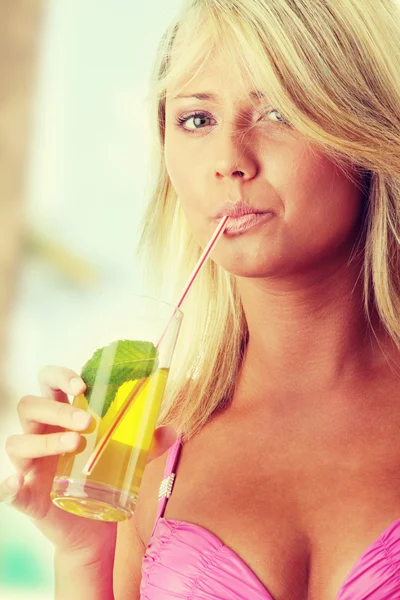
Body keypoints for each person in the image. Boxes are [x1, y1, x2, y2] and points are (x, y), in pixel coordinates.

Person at [1, 0, 400, 598]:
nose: (229, 161)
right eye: (195, 120)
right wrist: (85, 556)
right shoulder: (144, 454)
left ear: (362, 130)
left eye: (277, 111)